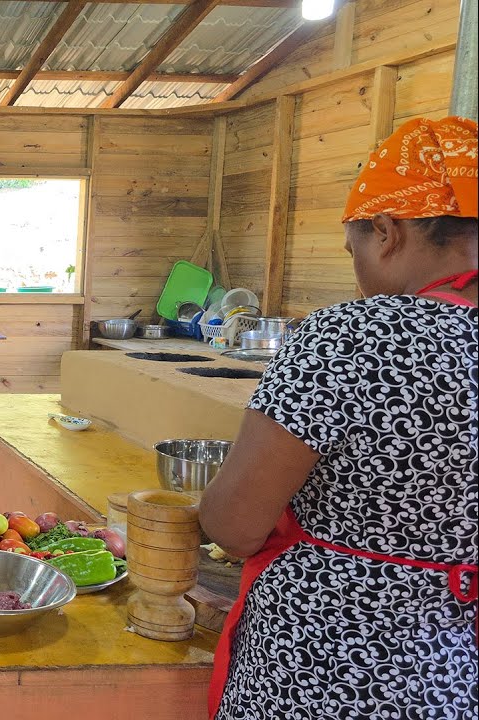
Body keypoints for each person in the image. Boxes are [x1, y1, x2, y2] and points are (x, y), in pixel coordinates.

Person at [200, 116, 477, 719]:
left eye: (354, 249)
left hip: (322, 667)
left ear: (385, 232)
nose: (357, 273)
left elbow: (234, 525)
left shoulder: (347, 339)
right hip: (459, 676)